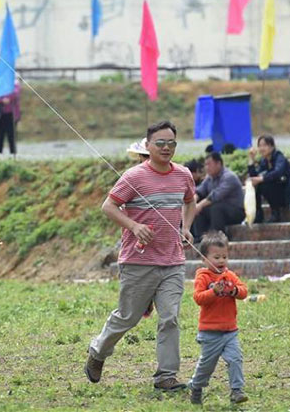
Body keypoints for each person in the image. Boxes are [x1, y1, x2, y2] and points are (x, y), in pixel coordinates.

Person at [85, 120, 197, 393]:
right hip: (138, 261)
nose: (166, 148)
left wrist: (187, 228)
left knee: (170, 318)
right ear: (147, 146)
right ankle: (98, 351)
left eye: (171, 143)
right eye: (160, 143)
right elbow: (108, 206)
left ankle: (166, 377)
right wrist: (134, 226)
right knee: (128, 317)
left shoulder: (183, 174)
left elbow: (190, 201)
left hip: (172, 261)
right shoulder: (134, 176)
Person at [188, 231, 249, 405]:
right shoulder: (203, 276)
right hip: (210, 332)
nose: (221, 261)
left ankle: (236, 390)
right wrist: (213, 292)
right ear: (204, 259)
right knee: (207, 366)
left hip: (230, 331)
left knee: (235, 359)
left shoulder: (229, 276)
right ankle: (197, 386)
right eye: (216, 257)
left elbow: (243, 291)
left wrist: (234, 291)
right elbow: (199, 298)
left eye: (224, 257)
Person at [247, 135, 290, 223]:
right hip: (278, 192)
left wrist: (261, 179)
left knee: (263, 182)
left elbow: (278, 172)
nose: (261, 148)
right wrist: (251, 159)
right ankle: (258, 214)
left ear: (272, 147)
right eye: (259, 146)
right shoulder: (264, 161)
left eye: (264, 145)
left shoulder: (279, 157)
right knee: (258, 184)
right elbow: (255, 176)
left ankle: (275, 213)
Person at [191, 152, 246, 242]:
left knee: (215, 208)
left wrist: (199, 205)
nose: (207, 168)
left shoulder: (229, 177)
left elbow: (216, 196)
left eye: (209, 164)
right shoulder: (209, 177)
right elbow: (200, 191)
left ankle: (217, 238)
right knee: (200, 210)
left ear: (218, 164)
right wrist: (193, 203)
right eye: (206, 165)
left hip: (236, 212)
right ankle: (200, 238)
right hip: (218, 210)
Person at [0, 80, 21, 155]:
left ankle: (13, 153)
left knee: (12, 135)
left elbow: (15, 94)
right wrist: (1, 100)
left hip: (11, 114)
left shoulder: (14, 83)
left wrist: (7, 98)